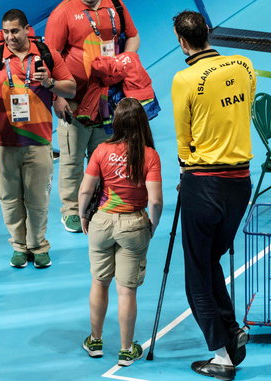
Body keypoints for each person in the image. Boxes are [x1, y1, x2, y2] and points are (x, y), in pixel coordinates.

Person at [171, 11, 256, 380]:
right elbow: (243, 106)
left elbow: (182, 136)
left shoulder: (184, 78)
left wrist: (187, 168)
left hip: (203, 182)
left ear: (181, 40)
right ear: (207, 31)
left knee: (196, 271)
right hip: (240, 184)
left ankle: (221, 357)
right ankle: (231, 330)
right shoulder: (245, 64)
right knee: (212, 260)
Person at [0, 9, 76, 268]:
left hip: (38, 140)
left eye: (14, 31)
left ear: (27, 29)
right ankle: (18, 245)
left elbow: (70, 87)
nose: (10, 37)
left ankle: (38, 246)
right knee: (10, 198)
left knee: (37, 199)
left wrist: (49, 83)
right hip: (3, 143)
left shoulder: (46, 54)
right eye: (5, 32)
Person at [78, 98, 162, 366]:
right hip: (133, 225)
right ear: (142, 122)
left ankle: (95, 341)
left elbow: (86, 190)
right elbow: (156, 201)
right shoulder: (150, 155)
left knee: (99, 282)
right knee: (126, 291)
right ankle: (127, 350)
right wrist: (152, 224)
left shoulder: (101, 150)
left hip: (101, 223)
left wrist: (82, 215)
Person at [45, 0, 140, 233]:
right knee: (72, 158)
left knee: (103, 155)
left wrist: (123, 61)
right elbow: (50, 57)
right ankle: (71, 210)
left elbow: (133, 36)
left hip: (107, 97)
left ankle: (99, 200)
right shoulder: (63, 12)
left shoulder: (115, 4)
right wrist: (57, 96)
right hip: (75, 100)